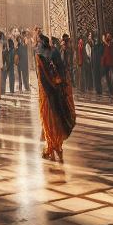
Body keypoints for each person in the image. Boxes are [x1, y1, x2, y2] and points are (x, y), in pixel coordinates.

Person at [35, 34, 75, 162]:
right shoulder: (54, 52)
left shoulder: (39, 56)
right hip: (56, 92)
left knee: (48, 121)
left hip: (47, 95)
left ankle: (52, 148)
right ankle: (57, 148)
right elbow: (62, 71)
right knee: (57, 120)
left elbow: (41, 78)